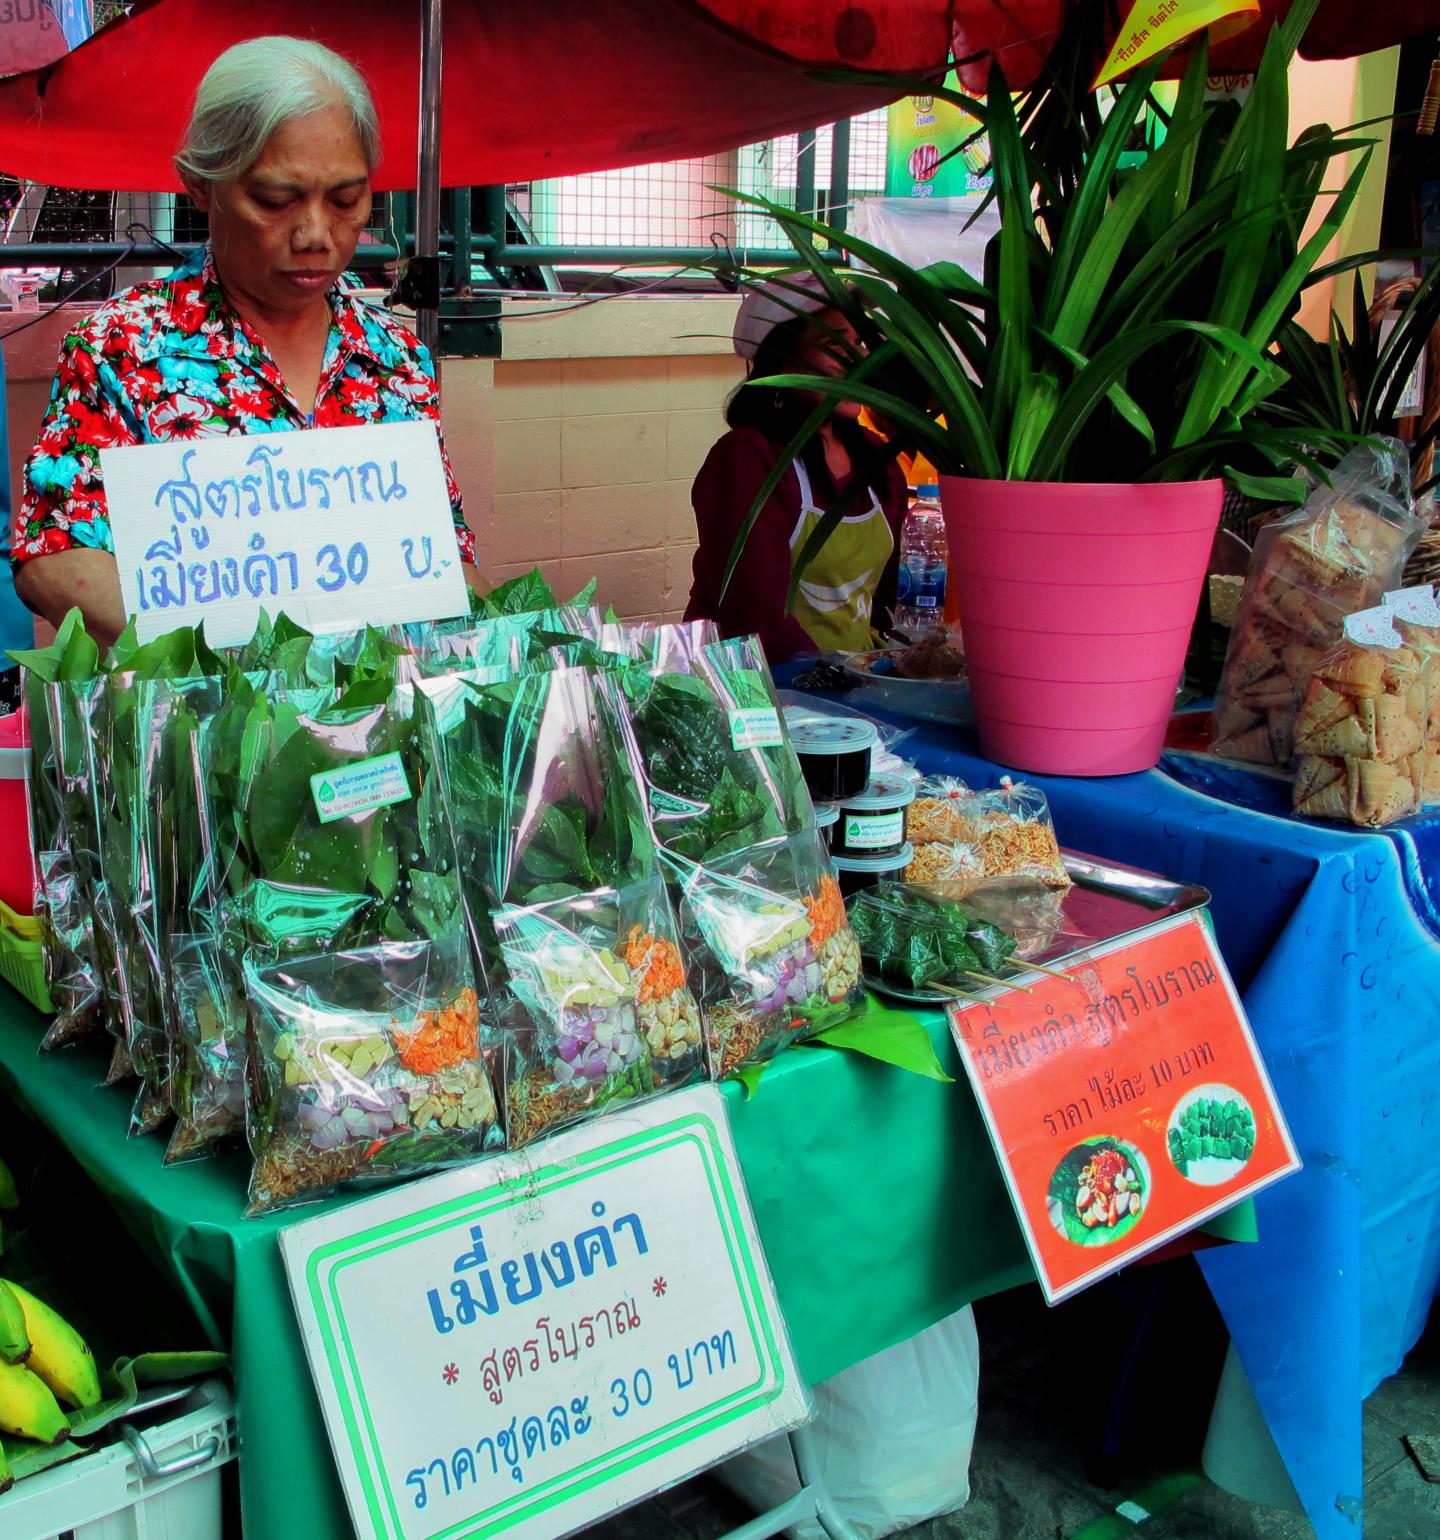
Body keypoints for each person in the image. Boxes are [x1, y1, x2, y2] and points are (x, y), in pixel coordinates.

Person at [12, 36, 480, 648]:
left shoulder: (396, 362)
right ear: (201, 185)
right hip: (212, 729)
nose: (316, 234)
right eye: (275, 201)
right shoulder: (122, 350)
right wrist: (235, 658)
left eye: (346, 200)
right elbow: (54, 557)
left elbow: (448, 562)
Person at [684, 275, 907, 660]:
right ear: (781, 357)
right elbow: (754, 620)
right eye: (832, 344)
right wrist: (837, 685)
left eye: (858, 343)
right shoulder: (748, 458)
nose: (856, 361)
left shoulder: (876, 460)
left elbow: (889, 602)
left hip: (851, 692)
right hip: (763, 691)